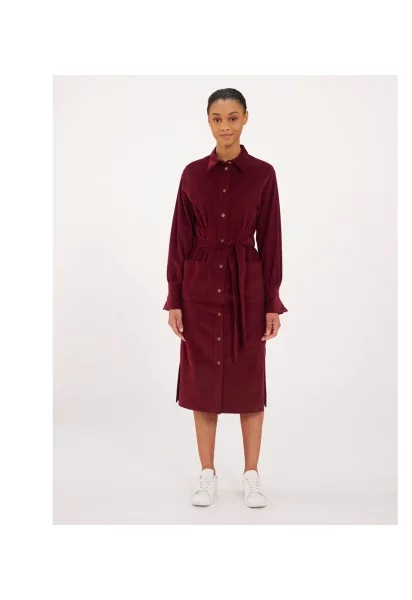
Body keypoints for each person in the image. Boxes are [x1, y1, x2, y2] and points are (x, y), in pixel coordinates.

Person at [163, 88, 288, 508]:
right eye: (217, 119)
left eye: (233, 117)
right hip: (198, 288)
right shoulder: (191, 174)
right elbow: (179, 237)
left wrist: (271, 301)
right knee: (201, 383)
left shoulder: (263, 174)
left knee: (249, 381)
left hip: (246, 288)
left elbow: (271, 239)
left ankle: (251, 474)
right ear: (209, 122)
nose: (225, 126)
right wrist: (174, 297)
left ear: (246, 118)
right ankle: (207, 473)